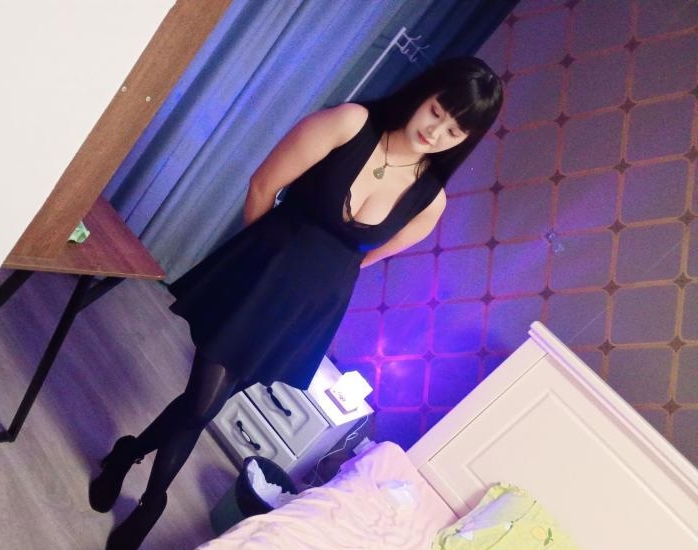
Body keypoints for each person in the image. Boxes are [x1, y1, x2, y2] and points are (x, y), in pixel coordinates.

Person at [89, 56, 503, 550]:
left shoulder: (430, 202)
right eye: (436, 111)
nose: (435, 133)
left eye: (454, 131)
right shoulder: (351, 123)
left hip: (304, 311)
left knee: (205, 402)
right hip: (256, 279)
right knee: (202, 403)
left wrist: (304, 285)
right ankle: (152, 503)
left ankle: (127, 453)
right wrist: (262, 260)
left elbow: (362, 259)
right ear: (423, 94)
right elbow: (263, 185)